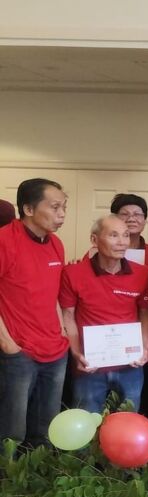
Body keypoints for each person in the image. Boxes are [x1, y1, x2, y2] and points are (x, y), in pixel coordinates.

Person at [0, 178, 70, 448]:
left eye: (64, 207)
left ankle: (39, 482)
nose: (61, 214)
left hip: (54, 349)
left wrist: (62, 332)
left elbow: (51, 293)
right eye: (54, 207)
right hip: (19, 352)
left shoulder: (56, 244)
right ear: (28, 209)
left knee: (47, 427)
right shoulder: (5, 241)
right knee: (12, 430)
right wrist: (8, 344)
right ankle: (9, 485)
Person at [60, 215, 148, 413]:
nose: (122, 242)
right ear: (94, 240)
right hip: (89, 365)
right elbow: (68, 315)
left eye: (126, 235)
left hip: (130, 365)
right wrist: (76, 353)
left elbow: (145, 313)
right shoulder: (73, 273)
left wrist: (144, 348)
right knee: (86, 423)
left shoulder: (143, 274)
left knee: (127, 424)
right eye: (113, 235)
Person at [110, 193, 148, 275]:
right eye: (125, 214)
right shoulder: (100, 252)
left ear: (145, 220)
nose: (131, 219)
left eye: (137, 214)